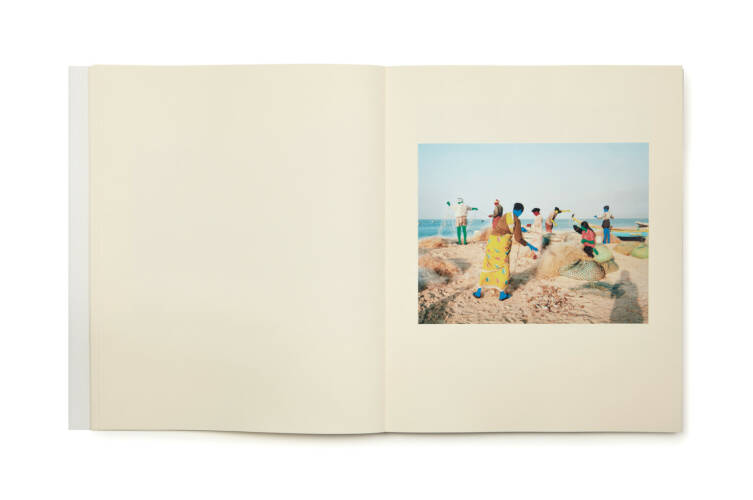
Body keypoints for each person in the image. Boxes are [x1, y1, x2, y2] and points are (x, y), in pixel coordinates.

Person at [473, 202, 538, 301]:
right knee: (503, 267)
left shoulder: (506, 215)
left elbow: (504, 227)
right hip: (502, 245)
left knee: (488, 264)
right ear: (521, 211)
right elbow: (518, 238)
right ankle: (502, 294)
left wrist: (519, 228)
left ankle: (478, 291)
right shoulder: (517, 220)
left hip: (492, 242)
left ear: (513, 208)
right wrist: (529, 245)